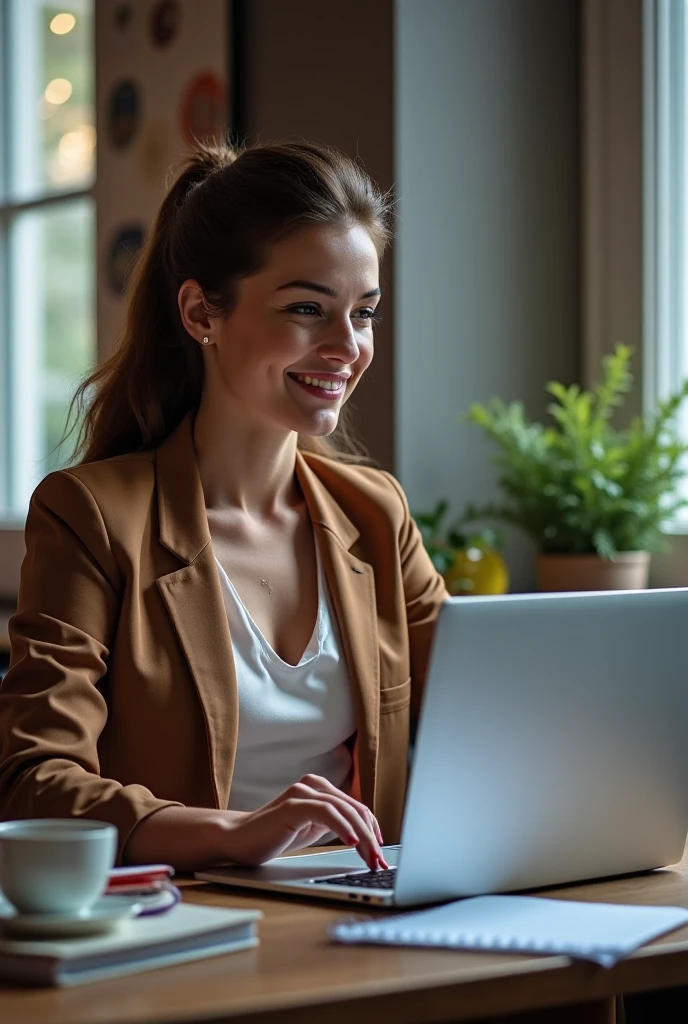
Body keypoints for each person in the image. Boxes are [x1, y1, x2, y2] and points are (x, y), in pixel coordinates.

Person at [0, 140, 448, 872]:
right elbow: (33, 784)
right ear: (201, 312)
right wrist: (231, 833)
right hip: (185, 921)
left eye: (363, 313)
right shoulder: (91, 517)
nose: (346, 346)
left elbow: (481, 720)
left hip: (356, 910)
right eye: (307, 308)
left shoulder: (376, 514)